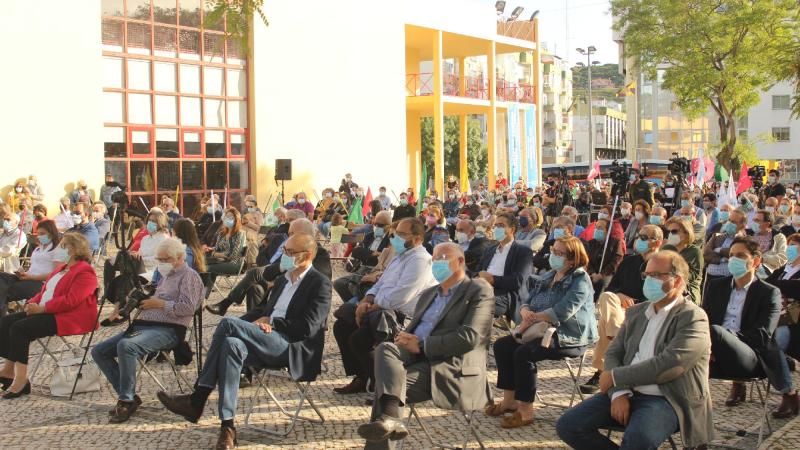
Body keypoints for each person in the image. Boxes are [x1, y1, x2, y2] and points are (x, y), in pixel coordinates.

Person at [157, 234, 331, 449]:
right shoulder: (283, 279)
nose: (284, 256)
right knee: (231, 344)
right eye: (284, 250)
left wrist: (274, 323)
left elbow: (308, 327)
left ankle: (198, 398)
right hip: (266, 338)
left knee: (228, 325)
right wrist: (249, 326)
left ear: (308, 255)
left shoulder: (320, 283)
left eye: (291, 253)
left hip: (291, 346)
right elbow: (262, 311)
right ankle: (227, 427)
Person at [557, 250, 713, 450]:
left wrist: (615, 377)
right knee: (569, 426)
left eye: (656, 275)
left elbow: (670, 364)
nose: (649, 280)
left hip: (667, 398)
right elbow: (614, 352)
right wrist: (619, 392)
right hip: (627, 391)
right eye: (646, 275)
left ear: (677, 281)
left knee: (638, 440)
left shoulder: (693, 317)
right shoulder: (637, 312)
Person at [356, 243, 494, 448]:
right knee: (385, 349)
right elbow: (414, 329)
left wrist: (422, 345)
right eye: (435, 259)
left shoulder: (477, 289)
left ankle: (388, 416)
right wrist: (405, 338)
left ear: (461, 261)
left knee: (388, 389)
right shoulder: (429, 294)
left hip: (451, 367)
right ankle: (391, 417)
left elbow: (470, 336)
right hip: (416, 360)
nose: (438, 262)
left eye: (444, 257)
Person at [487, 236, 597, 428]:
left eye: (559, 253)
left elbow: (563, 311)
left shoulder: (580, 280)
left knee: (524, 353)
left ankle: (526, 410)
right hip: (539, 328)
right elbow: (527, 299)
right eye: (553, 251)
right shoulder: (549, 275)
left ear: (572, 259)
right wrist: (525, 311)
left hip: (568, 336)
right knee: (502, 345)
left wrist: (533, 317)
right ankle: (509, 401)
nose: (553, 255)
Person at [92, 238, 204, 423]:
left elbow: (188, 308)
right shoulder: (166, 276)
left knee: (126, 346)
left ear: (180, 257)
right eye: (159, 259)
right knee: (99, 351)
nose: (162, 263)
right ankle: (127, 394)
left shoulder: (189, 276)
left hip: (169, 329)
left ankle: (126, 400)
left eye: (166, 259)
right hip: (144, 325)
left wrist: (159, 303)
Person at [333, 218, 436, 394]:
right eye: (396, 233)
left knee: (358, 338)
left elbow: (402, 295)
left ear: (418, 238)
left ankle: (380, 383)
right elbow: (380, 284)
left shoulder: (420, 260)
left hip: (400, 316)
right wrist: (367, 300)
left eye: (403, 234)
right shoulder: (400, 257)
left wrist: (373, 306)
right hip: (381, 310)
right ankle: (362, 376)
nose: (396, 237)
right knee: (341, 325)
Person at [0, 233, 98, 398]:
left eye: (63, 246)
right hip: (46, 309)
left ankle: (21, 379)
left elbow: (71, 301)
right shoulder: (61, 269)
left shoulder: (85, 271)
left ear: (74, 249)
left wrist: (42, 308)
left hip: (68, 316)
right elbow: (44, 291)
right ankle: (8, 371)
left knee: (20, 328)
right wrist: (32, 303)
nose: (59, 249)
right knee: (5, 322)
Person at [703, 237, 791, 409]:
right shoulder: (715, 287)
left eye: (740, 256)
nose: (733, 260)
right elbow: (703, 320)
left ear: (756, 261)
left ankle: (789, 393)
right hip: (713, 352)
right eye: (731, 255)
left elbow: (762, 335)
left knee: (716, 331)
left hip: (750, 355)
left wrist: (725, 339)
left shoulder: (769, 293)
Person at [581, 225, 665, 394]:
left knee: (605, 323)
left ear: (657, 242)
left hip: (645, 311)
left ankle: (603, 371)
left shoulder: (661, 266)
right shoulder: (628, 262)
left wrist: (632, 301)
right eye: (638, 236)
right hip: (618, 310)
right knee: (607, 298)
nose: (638, 240)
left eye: (644, 237)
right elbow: (611, 289)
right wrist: (620, 296)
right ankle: (616, 336)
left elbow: (659, 296)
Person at [206, 218, 330, 316]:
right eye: (289, 233)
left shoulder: (319, 253)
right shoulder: (288, 247)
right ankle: (252, 321)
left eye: (292, 233)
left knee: (254, 273)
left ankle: (226, 303)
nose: (289, 236)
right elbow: (269, 264)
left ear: (305, 234)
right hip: (276, 284)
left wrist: (280, 276)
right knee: (254, 286)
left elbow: (318, 279)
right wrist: (279, 272)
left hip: (295, 294)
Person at [473, 213, 533, 321]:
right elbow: (478, 270)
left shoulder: (523, 252)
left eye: (501, 225)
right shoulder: (490, 249)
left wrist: (492, 280)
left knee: (475, 300)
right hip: (483, 287)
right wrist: (478, 277)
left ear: (512, 229)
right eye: (495, 226)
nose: (496, 229)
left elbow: (518, 281)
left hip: (505, 294)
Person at [0, 220, 60, 317]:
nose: (40, 236)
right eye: (38, 233)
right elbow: (35, 267)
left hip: (41, 284)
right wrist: (23, 272)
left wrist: (30, 277)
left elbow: (56, 274)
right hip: (28, 278)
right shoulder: (38, 249)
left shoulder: (58, 249)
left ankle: (2, 320)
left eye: (43, 234)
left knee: (4, 291)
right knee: (2, 277)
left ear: (52, 233)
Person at [662, 217, 703, 304]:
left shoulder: (694, 251)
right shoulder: (666, 248)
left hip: (688, 290)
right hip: (666, 287)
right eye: (668, 232)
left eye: (674, 231)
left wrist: (674, 276)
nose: (670, 234)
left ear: (686, 233)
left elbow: (694, 274)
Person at [704, 209, 748, 288]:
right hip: (710, 277)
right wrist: (723, 259)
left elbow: (734, 255)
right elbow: (706, 255)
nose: (729, 223)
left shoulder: (743, 241)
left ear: (742, 225)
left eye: (733, 222)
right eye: (729, 220)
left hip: (728, 280)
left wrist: (719, 250)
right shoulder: (717, 236)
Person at [583, 218, 624, 298]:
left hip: (607, 274)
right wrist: (593, 273)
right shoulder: (590, 243)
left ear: (608, 230)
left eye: (600, 228)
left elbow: (616, 261)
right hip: (592, 273)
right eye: (596, 227)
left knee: (602, 285)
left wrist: (602, 274)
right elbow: (586, 260)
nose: (597, 230)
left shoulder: (615, 243)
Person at [205, 208, 246, 280]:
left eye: (231, 217)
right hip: (219, 260)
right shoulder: (221, 234)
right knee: (200, 264)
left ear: (236, 220)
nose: (227, 219)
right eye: (226, 216)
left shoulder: (240, 234)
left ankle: (206, 288)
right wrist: (217, 254)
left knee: (208, 268)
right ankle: (206, 287)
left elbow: (234, 255)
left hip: (234, 263)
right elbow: (216, 249)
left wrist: (221, 256)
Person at [0, 206, 27, 274]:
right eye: (4, 219)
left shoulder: (20, 235)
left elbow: (8, 250)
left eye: (8, 220)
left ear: (16, 222)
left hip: (8, 268)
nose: (5, 221)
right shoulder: (3, 233)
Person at [239, 195, 263, 266]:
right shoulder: (246, 213)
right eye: (247, 206)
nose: (249, 208)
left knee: (251, 243)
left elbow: (258, 228)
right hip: (244, 234)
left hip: (254, 236)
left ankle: (253, 263)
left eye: (251, 207)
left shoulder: (258, 215)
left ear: (255, 206)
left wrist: (248, 223)